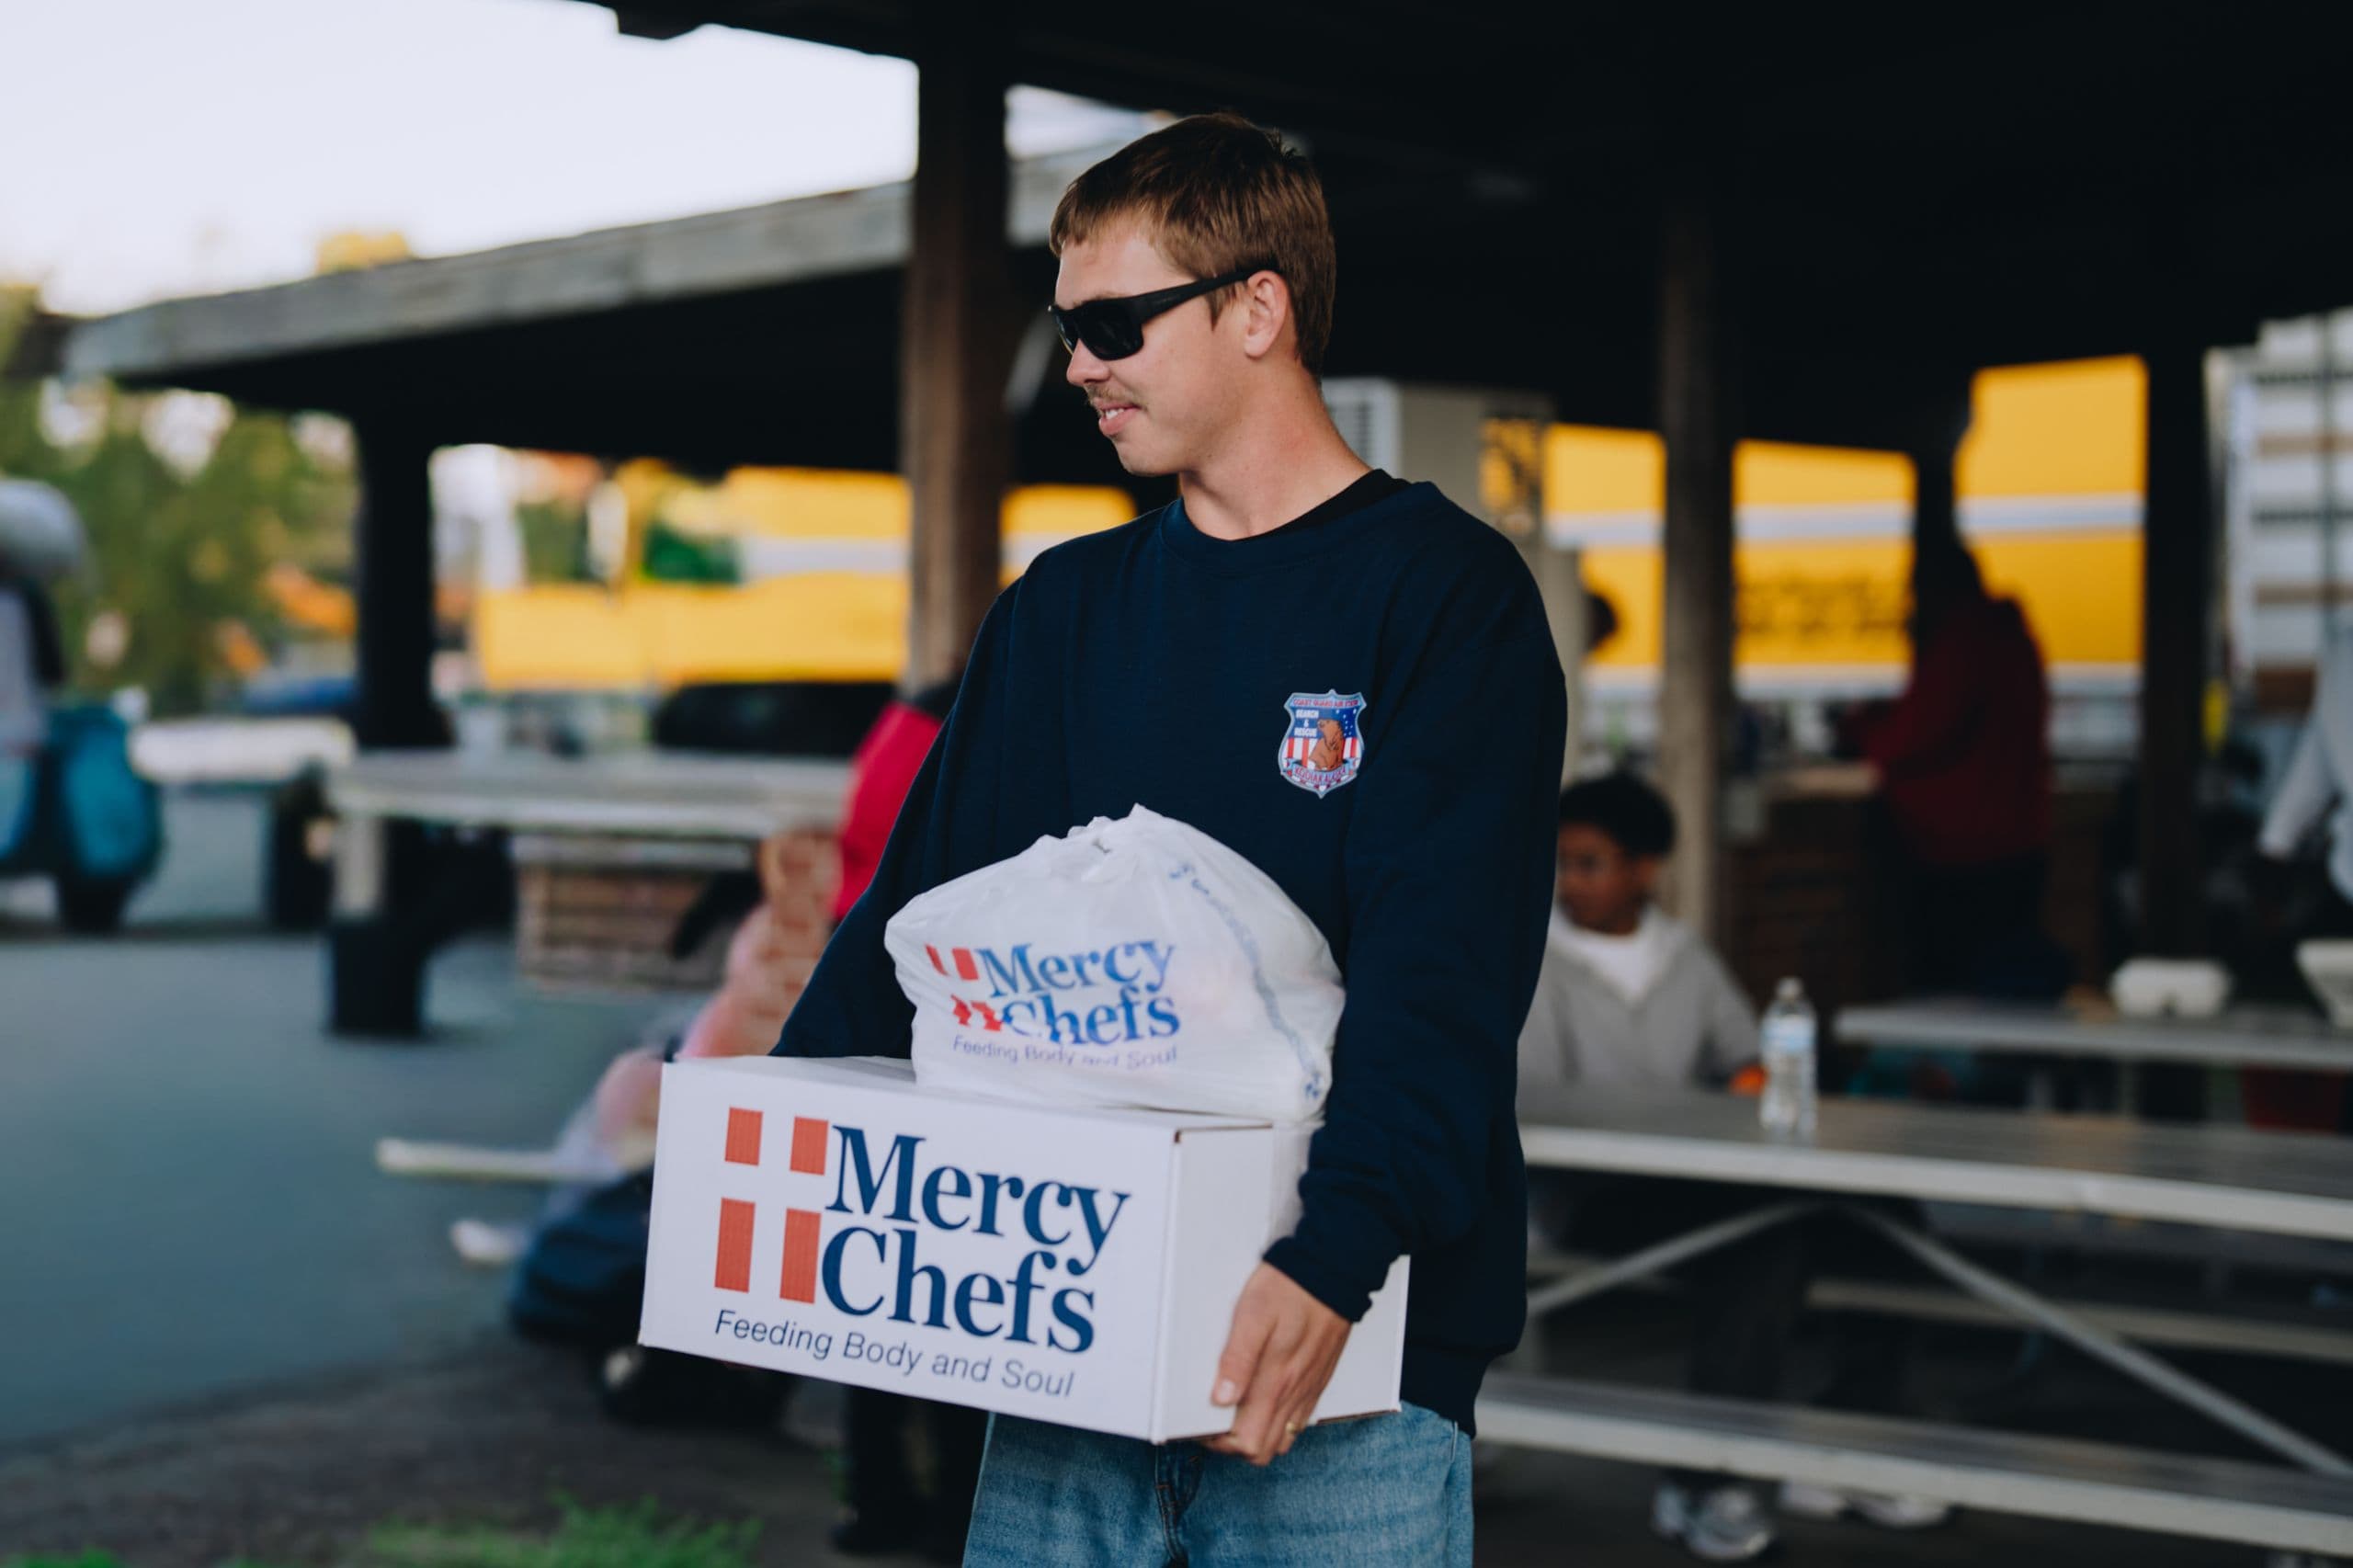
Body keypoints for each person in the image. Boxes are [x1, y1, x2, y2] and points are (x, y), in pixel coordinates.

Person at [774, 113, 1566, 1566]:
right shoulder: (1062, 611)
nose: (1079, 363)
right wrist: (771, 1152)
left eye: (1114, 322)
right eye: (1068, 327)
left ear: (1258, 306)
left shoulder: (1445, 597)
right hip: (1069, 1349)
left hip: (1345, 1361)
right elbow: (912, 923)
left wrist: (1331, 1256)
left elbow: (1440, 977)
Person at [1518, 772, 1949, 1562]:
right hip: (1589, 1193)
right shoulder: (1533, 959)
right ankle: (1703, 1478)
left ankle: (1847, 1446)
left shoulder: (1684, 956)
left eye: (1591, 863)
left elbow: (1749, 1060)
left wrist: (1742, 1094)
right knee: (1765, 1245)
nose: (1570, 883)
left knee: (1893, 1222)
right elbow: (1540, 1099)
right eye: (1562, 864)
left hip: (1702, 1181)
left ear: (1646, 868)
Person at [1855, 540, 2061, 999]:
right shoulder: (2012, 636)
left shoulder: (1965, 642)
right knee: (2010, 988)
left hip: (1962, 852)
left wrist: (1864, 728)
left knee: (1953, 998)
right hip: (2021, 843)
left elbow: (1909, 738)